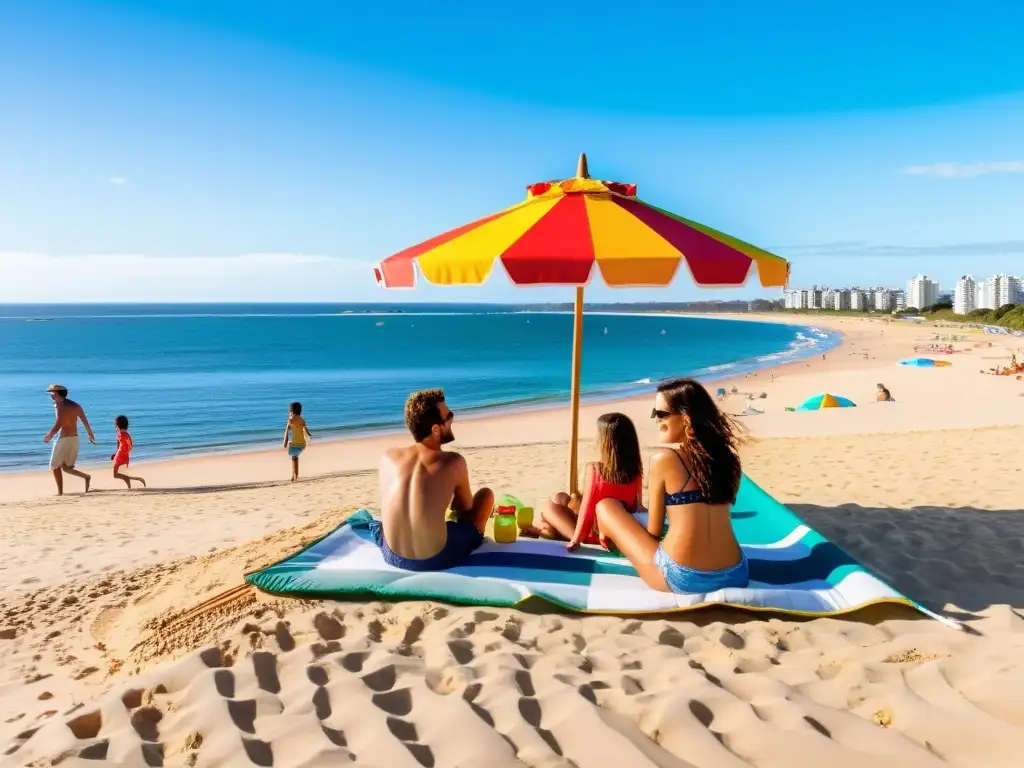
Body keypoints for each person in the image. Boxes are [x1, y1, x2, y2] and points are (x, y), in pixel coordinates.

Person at [593, 378, 749, 594]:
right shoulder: (729, 460)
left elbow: (654, 531)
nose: (656, 420)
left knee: (606, 506)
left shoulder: (665, 459)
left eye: (661, 414)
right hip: (736, 573)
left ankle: (605, 532)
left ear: (685, 419)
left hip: (685, 577)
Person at [372, 389, 494, 571]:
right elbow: (466, 511)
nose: (452, 419)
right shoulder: (454, 462)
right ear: (435, 429)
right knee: (486, 496)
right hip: (435, 559)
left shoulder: (387, 457)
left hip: (391, 555)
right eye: (449, 416)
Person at [538, 413, 643, 551]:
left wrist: (576, 540)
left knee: (551, 506)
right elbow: (636, 507)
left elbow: (587, 510)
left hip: (593, 535)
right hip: (617, 533)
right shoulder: (635, 472)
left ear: (606, 443)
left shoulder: (595, 470)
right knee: (562, 498)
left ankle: (566, 534)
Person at [42, 384, 96, 496]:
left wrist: (50, 434)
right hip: (74, 438)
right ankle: (86, 477)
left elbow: (59, 422)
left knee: (54, 466)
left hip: (64, 439)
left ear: (57, 394)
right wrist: (90, 434)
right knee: (66, 467)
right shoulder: (74, 405)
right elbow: (83, 419)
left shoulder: (59, 405)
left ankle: (60, 492)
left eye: (52, 393)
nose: (51, 396)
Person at [111, 415, 146, 489]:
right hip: (121, 455)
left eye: (116, 423)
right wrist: (116, 453)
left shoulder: (124, 434)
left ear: (119, 424)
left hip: (122, 456)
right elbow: (120, 444)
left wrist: (124, 452)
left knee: (116, 474)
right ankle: (130, 486)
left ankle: (137, 479)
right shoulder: (120, 433)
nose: (115, 425)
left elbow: (129, 444)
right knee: (120, 474)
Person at [282, 402, 312, 482]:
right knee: (295, 458)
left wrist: (285, 442)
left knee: (294, 459)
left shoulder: (290, 420)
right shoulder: (302, 419)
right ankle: (294, 475)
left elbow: (286, 431)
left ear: (291, 411)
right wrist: (309, 435)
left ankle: (295, 476)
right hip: (302, 443)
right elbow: (306, 430)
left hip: (295, 444)